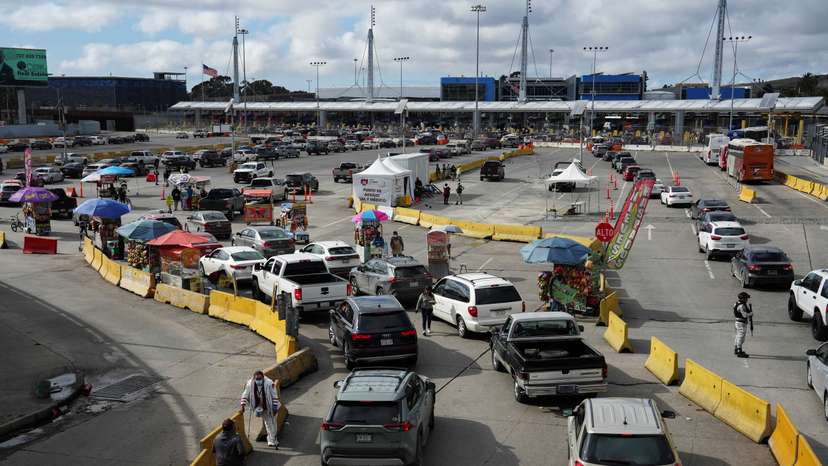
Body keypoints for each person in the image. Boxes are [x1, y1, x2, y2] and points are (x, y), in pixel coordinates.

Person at [240, 370, 281, 448]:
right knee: (268, 423)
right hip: (260, 407)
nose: (258, 380)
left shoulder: (269, 383)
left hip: (271, 406)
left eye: (260, 379)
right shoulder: (250, 384)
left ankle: (272, 439)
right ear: (254, 378)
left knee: (272, 423)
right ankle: (271, 440)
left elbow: (274, 395)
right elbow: (245, 394)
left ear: (263, 377)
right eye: (257, 379)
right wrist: (243, 405)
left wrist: (275, 407)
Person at [733, 291, 754, 358]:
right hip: (741, 323)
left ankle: (736, 349)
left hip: (738, 322)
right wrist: (751, 314)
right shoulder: (742, 306)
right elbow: (745, 315)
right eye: (746, 298)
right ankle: (739, 351)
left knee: (738, 336)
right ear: (742, 299)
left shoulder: (736, 303)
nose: (747, 299)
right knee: (741, 337)